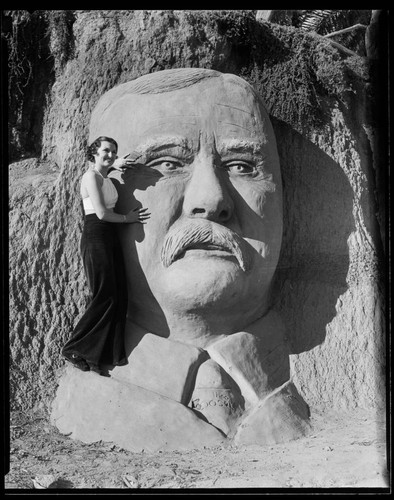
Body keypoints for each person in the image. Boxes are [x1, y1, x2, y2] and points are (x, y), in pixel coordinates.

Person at [61, 136, 150, 375]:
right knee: (104, 294)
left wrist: (116, 163)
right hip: (96, 234)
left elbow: (109, 167)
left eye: (113, 151)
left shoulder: (105, 177)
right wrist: (127, 219)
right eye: (105, 151)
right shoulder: (90, 177)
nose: (109, 154)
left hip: (110, 237)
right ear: (94, 153)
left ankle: (97, 356)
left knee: (119, 295)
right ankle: (73, 347)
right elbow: (100, 213)